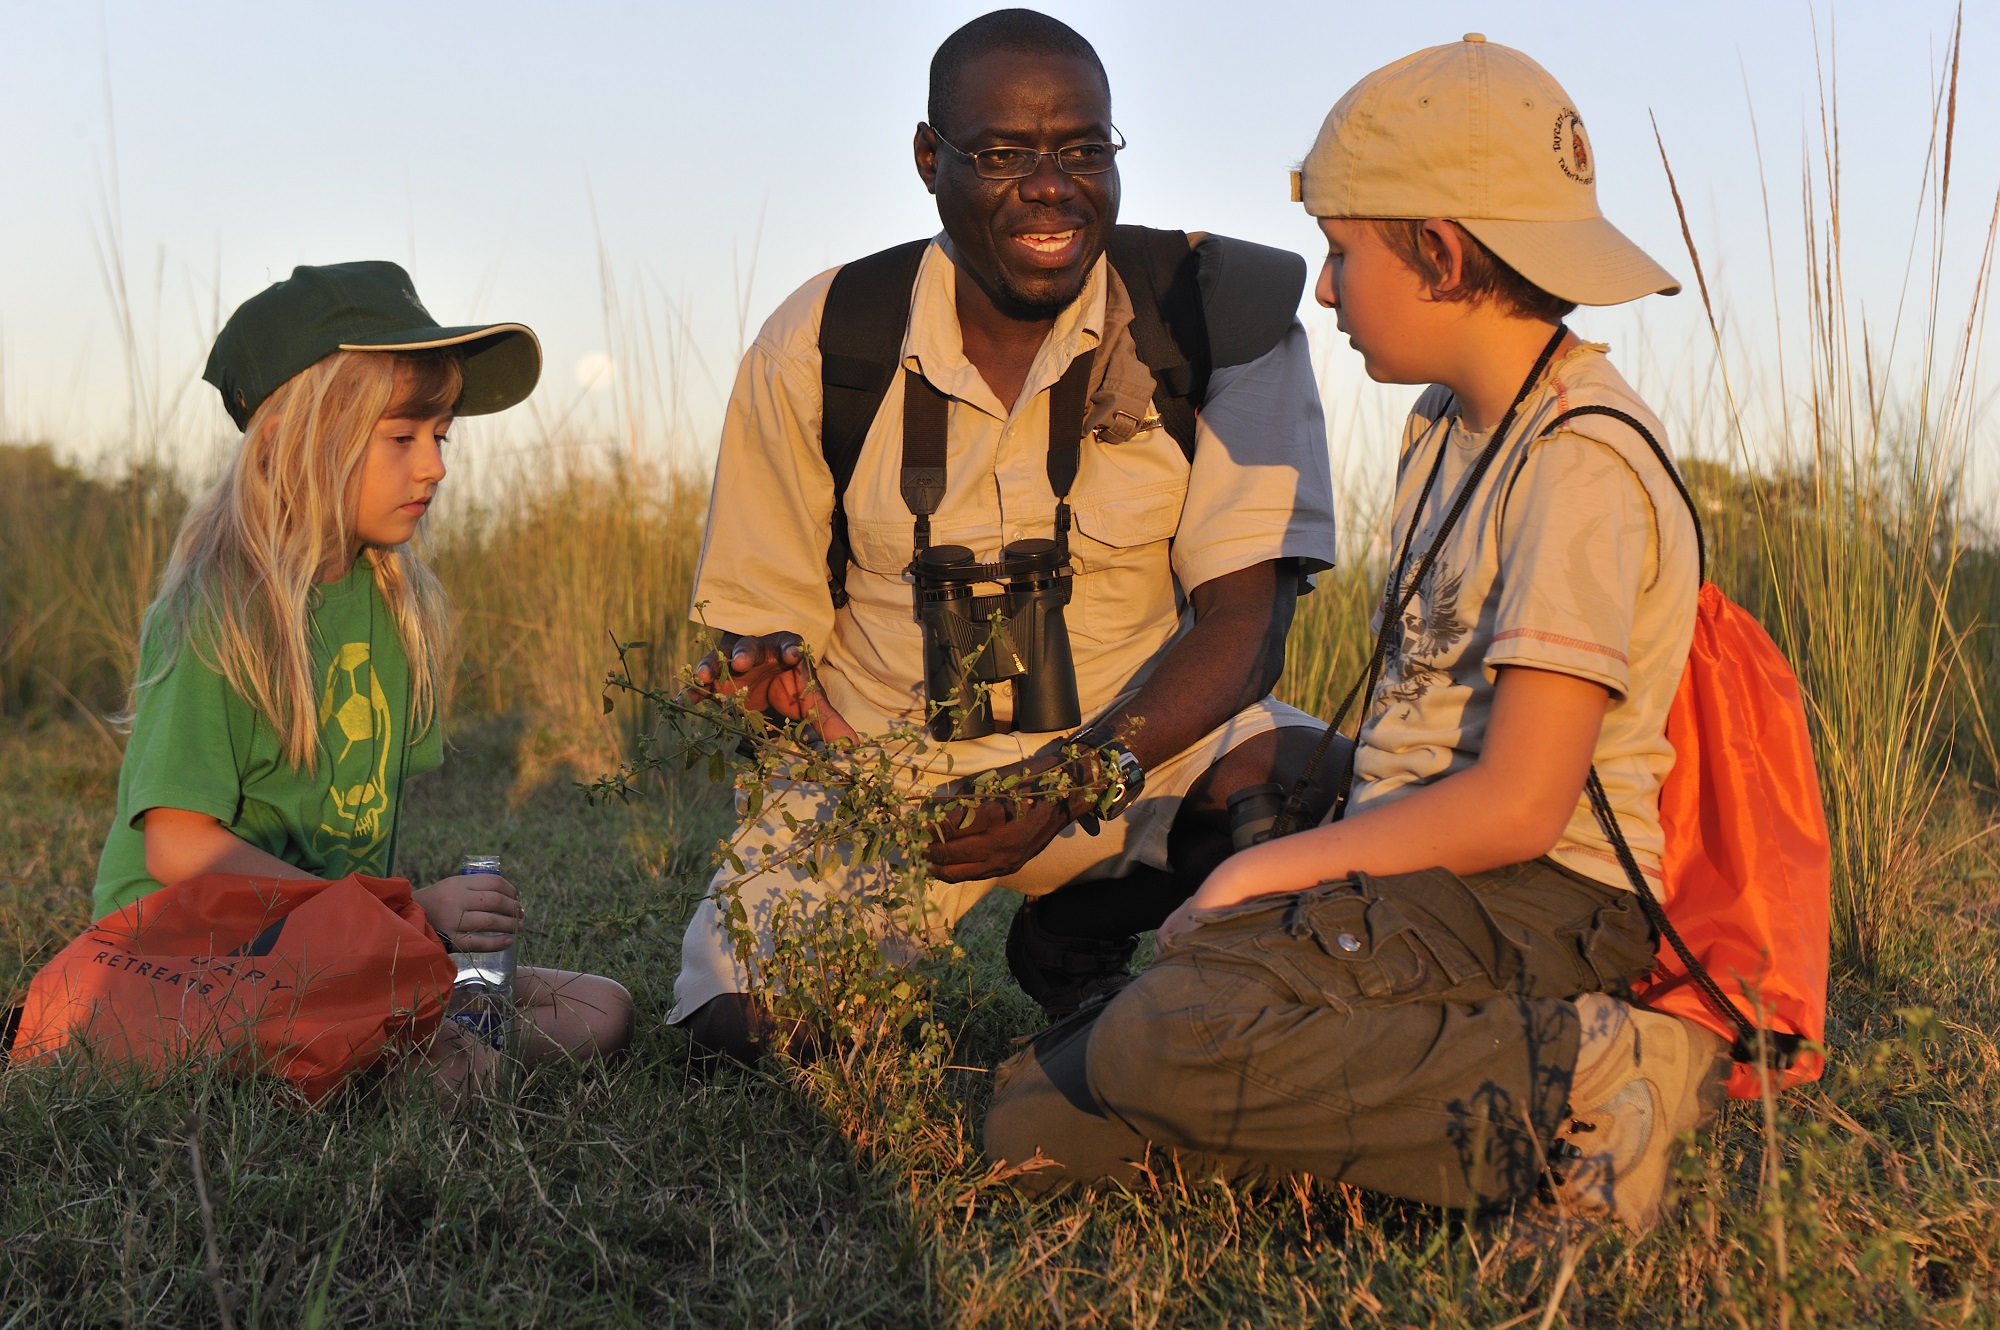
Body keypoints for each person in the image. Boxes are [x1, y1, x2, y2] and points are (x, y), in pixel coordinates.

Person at [984, 35, 1729, 1237]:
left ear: (1438, 252)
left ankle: (1594, 1074)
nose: (1323, 291)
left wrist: (1259, 870)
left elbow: (1519, 806)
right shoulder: (1446, 423)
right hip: (1417, 874)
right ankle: (1375, 1097)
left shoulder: (1579, 461)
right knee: (1028, 1122)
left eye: (1341, 253)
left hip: (1531, 894)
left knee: (1160, 1042)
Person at [675, 8, 1340, 1058]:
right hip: (890, 783)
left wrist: (1069, 783)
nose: (1050, 186)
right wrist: (768, 679)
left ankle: (1075, 931)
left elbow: (1247, 629)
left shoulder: (1215, 314)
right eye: (1001, 155)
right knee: (742, 1032)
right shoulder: (824, 336)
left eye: (1083, 149)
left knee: (1315, 799)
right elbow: (762, 628)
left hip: (1131, 758)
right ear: (927, 159)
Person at [91, 261, 634, 1095]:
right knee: (462, 1070)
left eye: (440, 436)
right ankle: (373, 1050)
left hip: (327, 951)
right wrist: (398, 910)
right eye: (402, 438)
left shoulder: (390, 604)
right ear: (293, 441)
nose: (435, 467)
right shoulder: (215, 613)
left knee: (601, 1009)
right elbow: (177, 846)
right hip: (183, 957)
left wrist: (393, 931)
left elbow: (349, 827)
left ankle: (375, 1040)